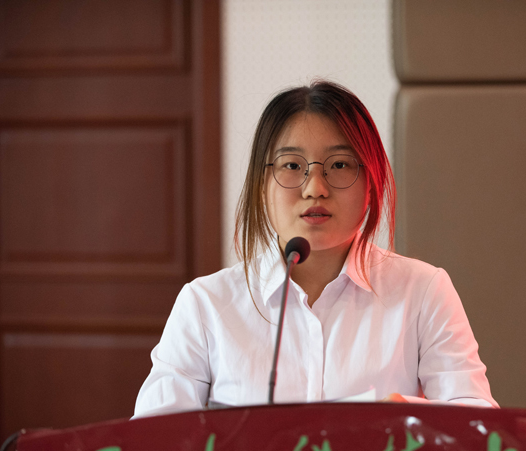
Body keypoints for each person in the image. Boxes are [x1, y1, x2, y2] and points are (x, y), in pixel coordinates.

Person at [133, 81, 497, 418]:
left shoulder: (423, 291)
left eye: (339, 165)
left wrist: (406, 417)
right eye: (293, 165)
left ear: (371, 184)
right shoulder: (206, 305)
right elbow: (154, 441)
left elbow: (478, 426)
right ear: (262, 186)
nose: (315, 188)